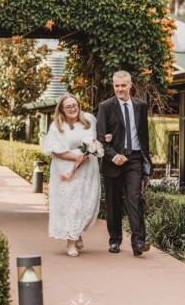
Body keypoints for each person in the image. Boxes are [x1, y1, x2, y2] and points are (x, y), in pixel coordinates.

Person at [96, 70, 153, 256]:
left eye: (123, 85)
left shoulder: (141, 105)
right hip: (113, 161)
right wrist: (113, 156)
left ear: (130, 85)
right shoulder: (105, 106)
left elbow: (143, 135)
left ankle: (138, 243)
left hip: (134, 158)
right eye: (116, 85)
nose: (120, 89)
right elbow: (100, 138)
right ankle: (115, 240)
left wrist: (146, 158)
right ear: (114, 86)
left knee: (134, 199)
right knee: (113, 203)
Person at [43, 93, 101, 257]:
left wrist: (95, 148)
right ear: (61, 109)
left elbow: (97, 139)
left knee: (87, 203)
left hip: (88, 169)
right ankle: (70, 242)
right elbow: (54, 150)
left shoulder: (89, 119)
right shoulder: (57, 125)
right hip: (66, 168)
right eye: (68, 106)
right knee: (71, 204)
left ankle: (77, 231)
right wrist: (76, 157)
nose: (72, 108)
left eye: (74, 105)